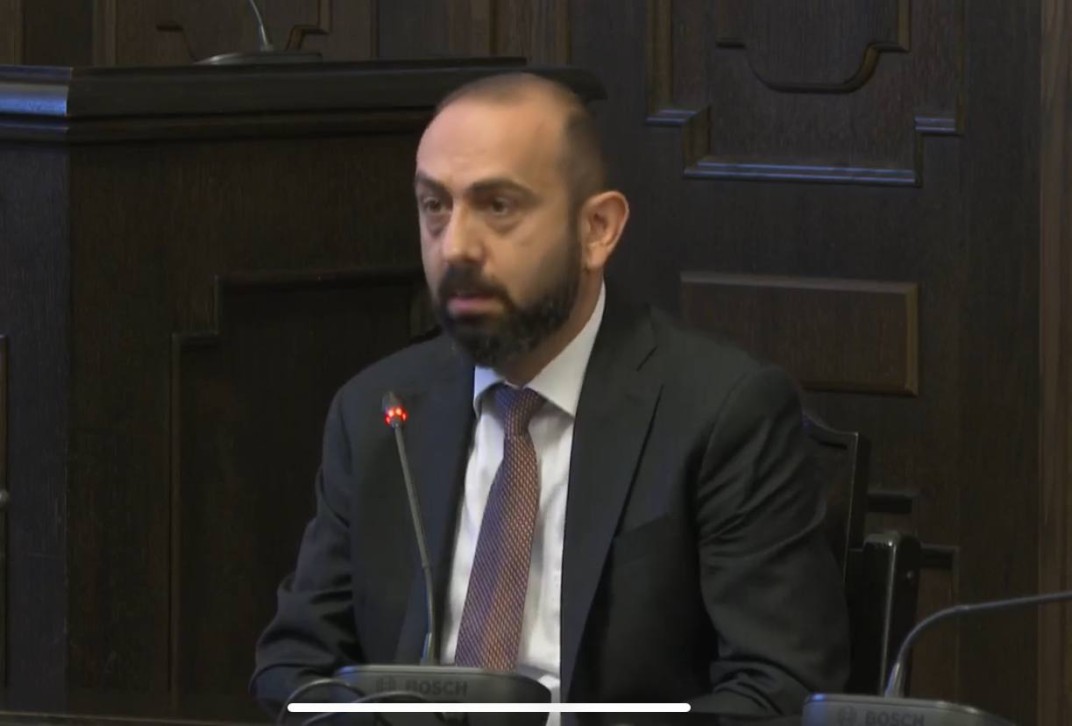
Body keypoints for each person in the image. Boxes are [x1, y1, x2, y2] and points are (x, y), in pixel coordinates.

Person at [251, 72, 850, 717]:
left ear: (597, 229)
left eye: (498, 206)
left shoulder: (722, 412)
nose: (456, 246)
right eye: (435, 206)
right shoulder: (378, 412)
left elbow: (777, 689)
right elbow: (294, 665)